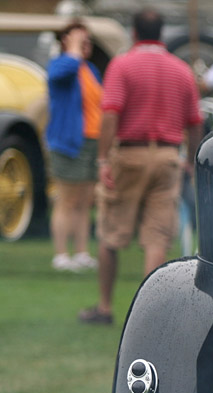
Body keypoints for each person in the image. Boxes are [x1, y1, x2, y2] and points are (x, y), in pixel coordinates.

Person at [78, 9, 203, 325]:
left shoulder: (122, 64)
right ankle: (152, 314)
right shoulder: (181, 69)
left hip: (130, 154)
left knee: (111, 233)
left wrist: (104, 158)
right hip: (167, 157)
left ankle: (105, 308)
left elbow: (110, 113)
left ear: (134, 33)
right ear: (161, 34)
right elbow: (195, 121)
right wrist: (189, 159)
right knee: (157, 238)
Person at [46, 21, 101, 273]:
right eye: (81, 41)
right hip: (69, 143)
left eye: (87, 41)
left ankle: (80, 252)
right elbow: (60, 73)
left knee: (84, 201)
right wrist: (74, 47)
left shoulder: (89, 69)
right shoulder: (62, 65)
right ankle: (61, 254)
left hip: (91, 141)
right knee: (66, 200)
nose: (86, 45)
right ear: (66, 42)